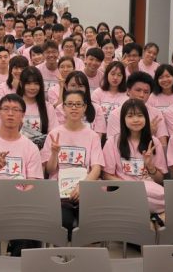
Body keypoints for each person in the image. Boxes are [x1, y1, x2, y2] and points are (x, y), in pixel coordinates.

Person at [0, 93, 43, 257]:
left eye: (15, 110)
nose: (10, 113)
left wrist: (20, 199)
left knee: (30, 221)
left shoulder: (30, 147)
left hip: (22, 198)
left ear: (22, 115)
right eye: (6, 109)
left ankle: (20, 261)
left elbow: (33, 184)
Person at [41, 89, 104, 238]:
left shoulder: (93, 136)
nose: (74, 108)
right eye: (69, 104)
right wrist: (55, 153)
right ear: (63, 108)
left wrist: (83, 186)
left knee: (89, 226)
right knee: (64, 223)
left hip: (85, 190)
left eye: (78, 104)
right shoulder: (54, 134)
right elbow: (49, 170)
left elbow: (96, 168)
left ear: (85, 108)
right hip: (59, 193)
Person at [102, 99, 166, 216]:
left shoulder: (154, 142)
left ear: (146, 118)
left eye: (140, 116)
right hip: (122, 189)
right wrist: (130, 186)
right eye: (130, 116)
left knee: (164, 197)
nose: (136, 120)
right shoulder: (113, 142)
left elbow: (159, 180)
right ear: (123, 119)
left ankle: (134, 209)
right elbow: (106, 175)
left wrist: (151, 167)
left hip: (149, 191)